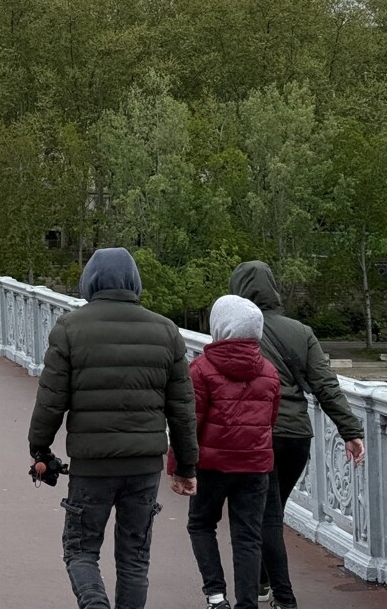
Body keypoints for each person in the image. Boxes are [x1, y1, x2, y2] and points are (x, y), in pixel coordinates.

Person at [28, 247, 199, 609]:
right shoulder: (166, 331)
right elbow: (182, 410)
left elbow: (51, 399)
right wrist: (186, 467)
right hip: (144, 465)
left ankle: (94, 604)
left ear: (89, 282)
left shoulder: (70, 328)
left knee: (80, 549)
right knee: (135, 558)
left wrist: (39, 448)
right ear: (134, 282)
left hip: (93, 465)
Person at [229, 261, 366, 609]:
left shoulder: (237, 331)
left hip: (257, 435)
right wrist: (350, 430)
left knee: (266, 516)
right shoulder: (301, 332)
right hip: (295, 439)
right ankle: (262, 582)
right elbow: (325, 385)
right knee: (269, 510)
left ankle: (282, 594)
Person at [179, 295, 280, 609]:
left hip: (212, 466)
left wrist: (180, 466)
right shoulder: (269, 371)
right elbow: (270, 420)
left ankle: (216, 595)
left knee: (200, 524)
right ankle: (247, 603)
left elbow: (189, 422)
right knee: (247, 536)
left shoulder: (200, 369)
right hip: (255, 466)